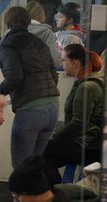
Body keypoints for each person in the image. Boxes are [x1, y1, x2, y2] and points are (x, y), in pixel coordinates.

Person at [0, 6, 59, 168]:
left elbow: (14, 77)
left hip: (31, 111)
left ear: (8, 23)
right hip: (52, 107)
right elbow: (53, 74)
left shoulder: (9, 44)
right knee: (35, 168)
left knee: (21, 169)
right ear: (27, 22)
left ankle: (20, 194)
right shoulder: (39, 42)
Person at [44, 44, 103, 184]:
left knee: (43, 152)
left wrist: (55, 137)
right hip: (87, 141)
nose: (61, 63)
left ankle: (59, 194)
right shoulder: (85, 83)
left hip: (88, 146)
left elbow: (78, 123)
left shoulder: (86, 87)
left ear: (75, 63)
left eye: (64, 60)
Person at [26, 0, 61, 67]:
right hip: (39, 75)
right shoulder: (47, 34)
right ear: (42, 15)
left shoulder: (12, 32)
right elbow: (55, 60)